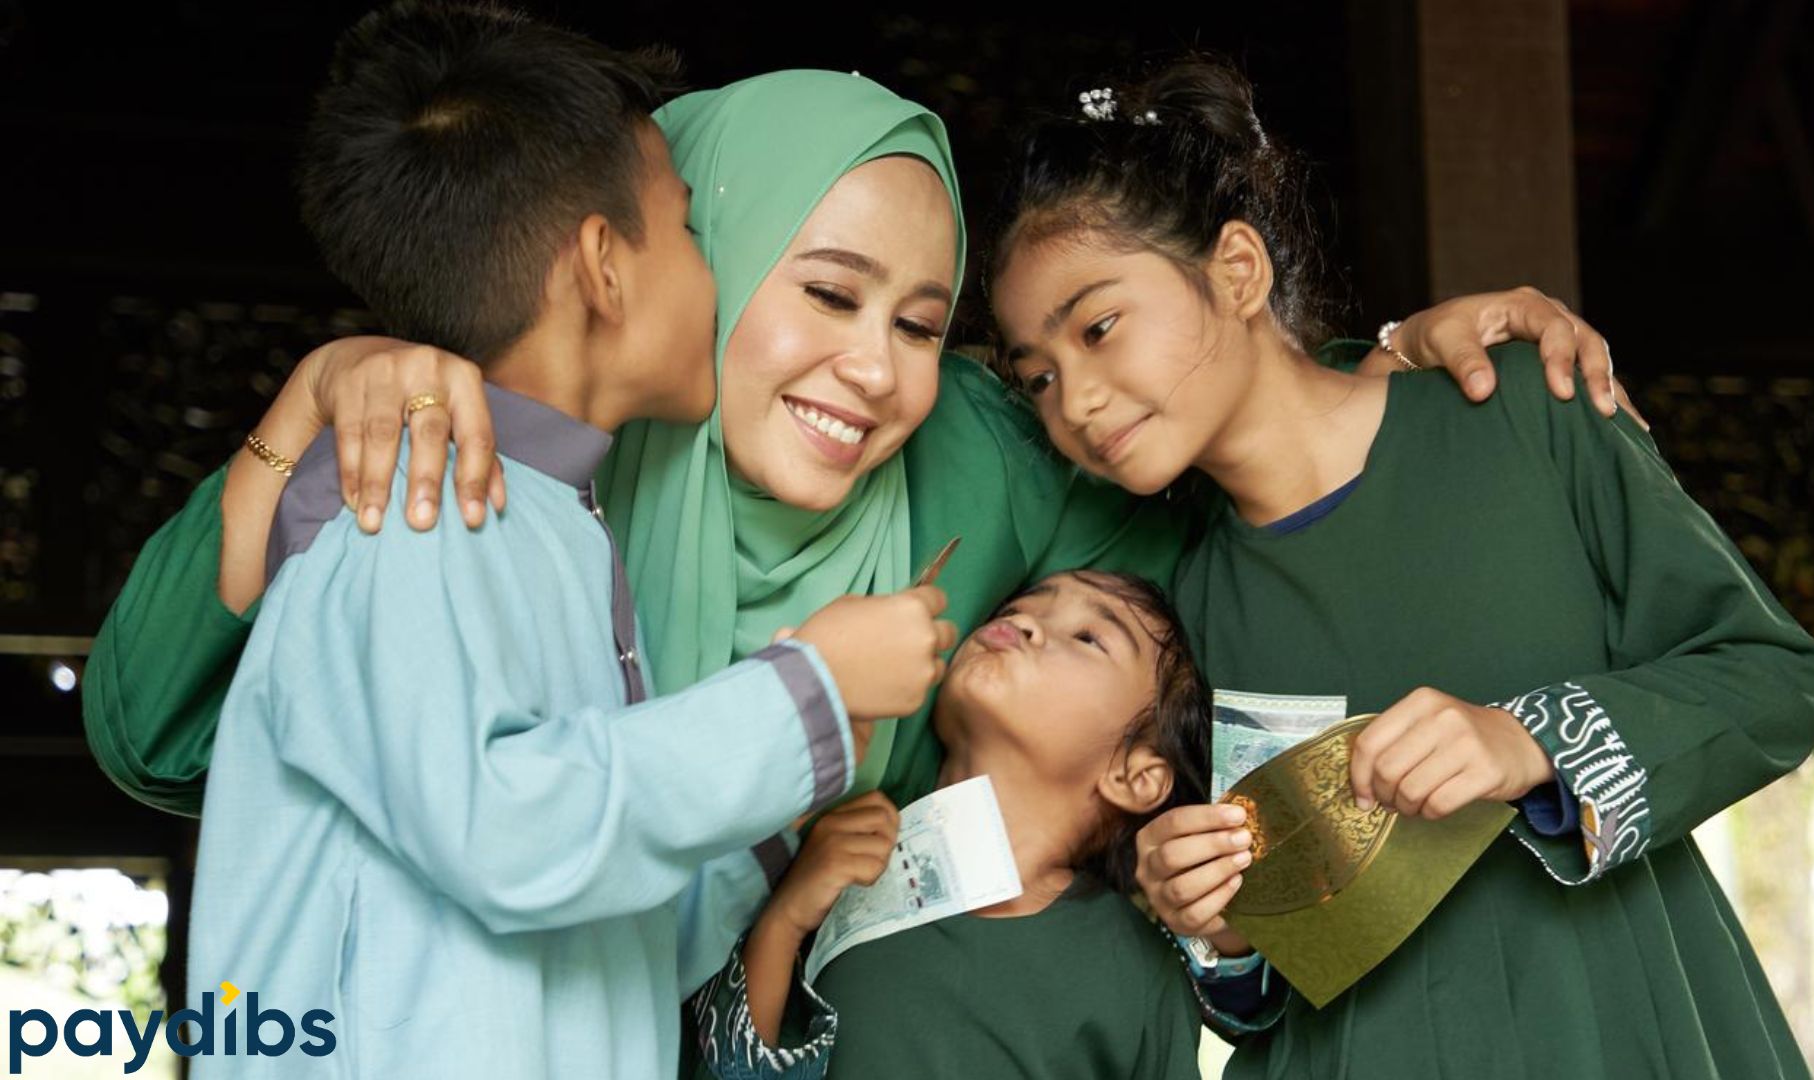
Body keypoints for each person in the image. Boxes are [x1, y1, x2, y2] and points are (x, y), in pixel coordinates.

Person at [86, 55, 1630, 997]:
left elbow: (1221, 484)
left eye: (922, 320)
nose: (873, 374)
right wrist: (306, 407)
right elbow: (156, 735)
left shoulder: (977, 454)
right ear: (659, 255)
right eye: (822, 293)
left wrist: (1388, 378)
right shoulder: (505, 455)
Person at [989, 58, 1814, 1079]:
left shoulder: (1522, 412)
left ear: (1237, 272)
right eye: (1037, 375)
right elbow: (1268, 985)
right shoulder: (1182, 606)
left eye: (1099, 326)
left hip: (1616, 1030)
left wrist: (1527, 740)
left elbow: (1774, 679)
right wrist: (1216, 927)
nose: (1072, 398)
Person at [183, 6, 950, 1075]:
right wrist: (808, 687)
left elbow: (599, 931)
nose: (712, 273)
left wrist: (778, 838)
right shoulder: (407, 500)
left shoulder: (554, 521)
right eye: (689, 233)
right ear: (603, 264)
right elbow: (504, 832)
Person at [700, 570, 1213, 1080]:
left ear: (1136, 776)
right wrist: (784, 922)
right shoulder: (840, 870)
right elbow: (734, 1072)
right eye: (1020, 603)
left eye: (1088, 638)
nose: (1026, 621)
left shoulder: (1140, 975)